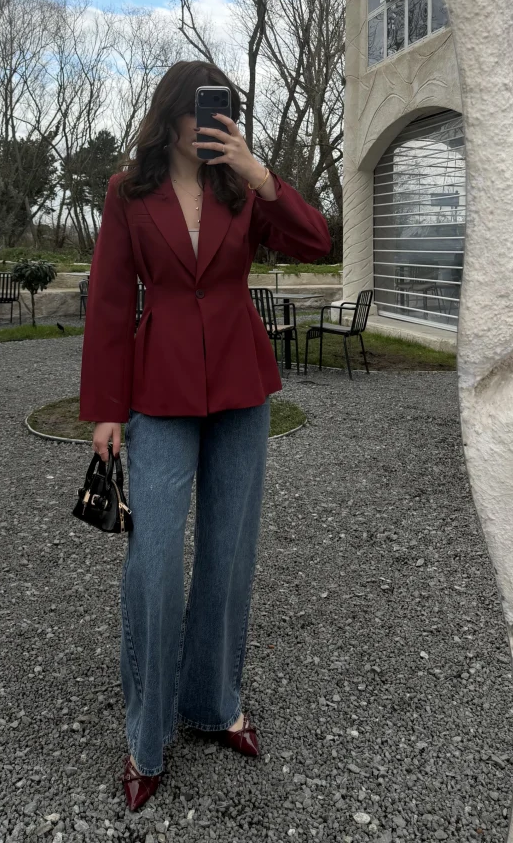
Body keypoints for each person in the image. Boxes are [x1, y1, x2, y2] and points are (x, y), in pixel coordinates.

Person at [78, 60, 332, 811]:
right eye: (199, 111)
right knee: (154, 561)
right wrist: (105, 410)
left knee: (228, 555)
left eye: (224, 111)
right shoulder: (128, 191)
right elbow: (110, 301)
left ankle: (213, 702)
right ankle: (147, 732)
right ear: (171, 115)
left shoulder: (240, 187)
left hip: (240, 388)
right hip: (158, 391)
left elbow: (317, 242)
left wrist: (261, 175)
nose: (212, 123)